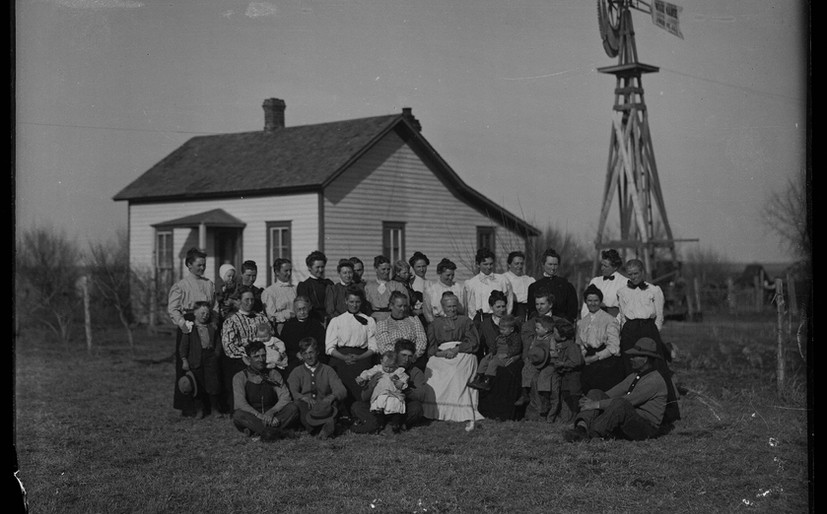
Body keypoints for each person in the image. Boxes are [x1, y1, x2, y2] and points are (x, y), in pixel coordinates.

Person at [564, 337, 678, 442]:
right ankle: (581, 428)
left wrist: (596, 405)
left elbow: (629, 400)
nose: (631, 359)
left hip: (645, 427)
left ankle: (593, 433)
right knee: (596, 392)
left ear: (645, 359)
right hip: (629, 420)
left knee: (621, 404)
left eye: (634, 356)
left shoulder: (654, 380)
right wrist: (591, 400)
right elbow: (610, 393)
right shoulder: (635, 375)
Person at [422, 292, 483, 431]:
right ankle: (439, 411)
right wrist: (441, 353)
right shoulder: (435, 324)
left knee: (455, 372)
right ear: (443, 306)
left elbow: (473, 342)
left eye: (454, 306)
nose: (452, 309)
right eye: (448, 306)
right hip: (441, 354)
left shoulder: (465, 321)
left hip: (462, 351)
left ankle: (462, 412)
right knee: (434, 370)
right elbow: (431, 348)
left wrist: (456, 349)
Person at [167, 247, 218, 417]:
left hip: (207, 324)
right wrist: (183, 324)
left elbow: (215, 306)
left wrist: (215, 322)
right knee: (188, 366)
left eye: (204, 265)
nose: (202, 268)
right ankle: (189, 406)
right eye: (199, 265)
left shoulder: (209, 284)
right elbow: (173, 309)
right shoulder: (181, 286)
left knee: (208, 366)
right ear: (189, 265)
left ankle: (210, 405)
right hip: (189, 326)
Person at [350, 338, 428, 434]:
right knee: (357, 406)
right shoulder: (380, 369)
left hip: (399, 406)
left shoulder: (415, 372)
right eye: (403, 355)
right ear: (395, 354)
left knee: (416, 408)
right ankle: (388, 425)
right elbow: (364, 396)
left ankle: (387, 424)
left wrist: (405, 389)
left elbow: (421, 395)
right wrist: (372, 383)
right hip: (378, 404)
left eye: (410, 356)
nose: (406, 359)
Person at [324, 285, 379, 413]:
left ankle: (360, 411)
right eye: (351, 302)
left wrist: (359, 357)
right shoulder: (336, 321)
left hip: (362, 356)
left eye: (358, 302)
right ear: (346, 301)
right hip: (340, 356)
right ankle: (342, 412)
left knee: (362, 376)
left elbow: (373, 347)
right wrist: (344, 357)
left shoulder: (369, 320)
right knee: (338, 374)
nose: (354, 305)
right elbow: (329, 348)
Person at [232, 340, 300, 441]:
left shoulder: (273, 374)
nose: (261, 359)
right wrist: (261, 416)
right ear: (248, 359)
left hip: (274, 415)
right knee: (238, 415)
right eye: (256, 357)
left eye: (263, 355)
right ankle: (278, 432)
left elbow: (285, 397)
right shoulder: (240, 377)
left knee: (293, 408)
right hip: (253, 416)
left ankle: (260, 432)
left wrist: (271, 412)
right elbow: (240, 403)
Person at [617, 259, 672, 375]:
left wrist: (654, 331)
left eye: (636, 273)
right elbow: (622, 316)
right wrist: (624, 331)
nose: (633, 277)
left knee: (653, 362)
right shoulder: (622, 292)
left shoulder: (654, 290)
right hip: (630, 330)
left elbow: (659, 315)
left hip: (648, 328)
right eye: (630, 274)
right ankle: (632, 390)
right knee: (630, 361)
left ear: (642, 272)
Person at [220, 287, 272, 411]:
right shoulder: (231, 321)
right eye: (246, 300)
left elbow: (270, 336)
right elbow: (228, 346)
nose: (250, 302)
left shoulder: (261, 318)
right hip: (241, 358)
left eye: (252, 300)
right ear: (239, 301)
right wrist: (246, 355)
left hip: (262, 354)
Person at [287, 337, 348, 439]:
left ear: (317, 352)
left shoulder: (327, 370)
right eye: (305, 354)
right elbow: (293, 391)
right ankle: (319, 429)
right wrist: (303, 397)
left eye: (311, 352)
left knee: (335, 403)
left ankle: (325, 427)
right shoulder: (297, 371)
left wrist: (331, 397)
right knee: (298, 404)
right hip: (307, 406)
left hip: (324, 406)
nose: (309, 357)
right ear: (301, 355)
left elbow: (341, 390)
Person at [577, 284, 626, 392]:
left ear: (600, 301)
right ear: (585, 301)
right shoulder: (582, 322)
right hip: (587, 360)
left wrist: (595, 358)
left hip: (605, 360)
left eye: (596, 300)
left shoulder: (610, 320)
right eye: (589, 300)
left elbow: (614, 347)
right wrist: (584, 357)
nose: (592, 303)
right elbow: (580, 343)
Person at [178, 301, 222, 418]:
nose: (205, 315)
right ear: (195, 313)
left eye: (207, 313)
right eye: (202, 313)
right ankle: (199, 410)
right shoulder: (189, 327)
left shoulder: (212, 327)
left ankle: (214, 409)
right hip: (195, 358)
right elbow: (183, 346)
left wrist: (216, 354)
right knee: (197, 384)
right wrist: (184, 360)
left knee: (213, 384)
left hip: (210, 357)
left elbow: (218, 342)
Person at [355, 350, 410, 434]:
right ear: (381, 362)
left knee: (395, 408)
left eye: (391, 367)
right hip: (379, 394)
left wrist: (400, 383)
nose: (388, 369)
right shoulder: (378, 369)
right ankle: (380, 424)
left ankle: (395, 424)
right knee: (378, 409)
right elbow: (368, 373)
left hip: (393, 395)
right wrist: (362, 378)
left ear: (395, 364)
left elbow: (404, 379)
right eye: (386, 366)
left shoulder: (398, 371)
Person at [515, 316, 557, 418]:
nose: (535, 330)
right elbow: (531, 348)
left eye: (538, 328)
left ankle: (545, 401)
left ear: (546, 329)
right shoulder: (536, 337)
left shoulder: (551, 338)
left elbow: (554, 352)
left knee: (543, 378)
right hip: (537, 361)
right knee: (526, 369)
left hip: (547, 362)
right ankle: (525, 392)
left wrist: (545, 355)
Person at [468, 313, 521, 392]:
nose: (501, 331)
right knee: (484, 360)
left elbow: (516, 348)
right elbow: (494, 346)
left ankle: (488, 381)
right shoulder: (499, 337)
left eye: (503, 330)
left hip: (506, 357)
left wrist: (507, 354)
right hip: (497, 355)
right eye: (500, 329)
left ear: (511, 329)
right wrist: (491, 353)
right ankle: (478, 377)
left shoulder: (515, 338)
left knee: (493, 363)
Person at [375, 291, 428, 367]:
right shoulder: (383, 323)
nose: (403, 309)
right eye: (399, 306)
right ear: (391, 306)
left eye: (405, 306)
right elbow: (384, 346)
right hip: (392, 362)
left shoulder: (414, 320)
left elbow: (421, 339)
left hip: (413, 359)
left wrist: (413, 355)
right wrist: (400, 358)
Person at [548, 317, 584, 423]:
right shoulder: (562, 346)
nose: (553, 335)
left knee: (574, 397)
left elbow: (577, 361)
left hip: (573, 377)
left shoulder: (572, 347)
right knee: (567, 396)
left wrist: (563, 363)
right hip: (565, 376)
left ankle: (575, 417)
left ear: (563, 337)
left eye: (555, 333)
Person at [527, 248, 579, 323]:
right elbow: (532, 311)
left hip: (561, 324)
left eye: (555, 265)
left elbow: (572, 311)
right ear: (543, 264)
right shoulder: (534, 287)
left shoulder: (566, 286)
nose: (553, 268)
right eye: (550, 264)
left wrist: (565, 323)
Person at [279, 296, 327, 375]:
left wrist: (312, 354)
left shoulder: (316, 325)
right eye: (299, 309)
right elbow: (284, 346)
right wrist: (295, 354)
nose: (302, 312)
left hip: (314, 359)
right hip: (295, 360)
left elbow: (322, 345)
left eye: (304, 309)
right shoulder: (288, 326)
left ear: (309, 308)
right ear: (294, 310)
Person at [465, 248, 513, 326]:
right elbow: (471, 305)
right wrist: (476, 321)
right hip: (481, 318)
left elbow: (509, 300)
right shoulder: (472, 283)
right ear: (478, 264)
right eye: (485, 264)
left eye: (491, 264)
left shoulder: (502, 280)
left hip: (499, 318)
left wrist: (505, 317)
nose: (489, 267)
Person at [580, 249, 625, 319]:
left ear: (615, 267)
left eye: (606, 266)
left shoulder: (624, 282)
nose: (602, 268)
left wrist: (615, 323)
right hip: (594, 320)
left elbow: (624, 309)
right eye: (602, 265)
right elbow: (586, 306)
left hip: (614, 322)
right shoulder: (595, 281)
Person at [364, 255, 408, 322]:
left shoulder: (397, 286)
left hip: (393, 319)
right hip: (374, 319)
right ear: (376, 269)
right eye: (383, 269)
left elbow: (406, 304)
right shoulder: (369, 286)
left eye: (388, 269)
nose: (386, 272)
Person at [422, 258, 467, 324]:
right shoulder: (430, 290)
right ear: (440, 273)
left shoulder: (459, 288)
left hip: (457, 323)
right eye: (448, 275)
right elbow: (428, 313)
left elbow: (465, 309)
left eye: (452, 275)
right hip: (439, 324)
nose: (450, 277)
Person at [475, 289, 514, 364]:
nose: (501, 310)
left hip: (509, 359)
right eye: (498, 307)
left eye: (503, 306)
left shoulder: (512, 322)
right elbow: (480, 346)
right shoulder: (485, 325)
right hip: (492, 359)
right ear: (491, 307)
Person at [296, 250, 333, 325]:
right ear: (309, 268)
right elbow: (305, 307)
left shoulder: (328, 283)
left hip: (330, 320)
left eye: (322, 267)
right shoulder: (304, 286)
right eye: (317, 267)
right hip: (313, 322)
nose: (320, 270)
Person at [261, 258, 297, 331]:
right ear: (277, 272)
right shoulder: (270, 292)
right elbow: (271, 315)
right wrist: (288, 315)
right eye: (286, 271)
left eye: (290, 270)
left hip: (297, 324)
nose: (289, 273)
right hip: (281, 327)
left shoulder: (295, 289)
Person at [503, 251, 536, 321]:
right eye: (516, 264)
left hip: (526, 311)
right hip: (512, 311)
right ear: (509, 264)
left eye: (521, 264)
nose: (519, 266)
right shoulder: (504, 279)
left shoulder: (529, 280)